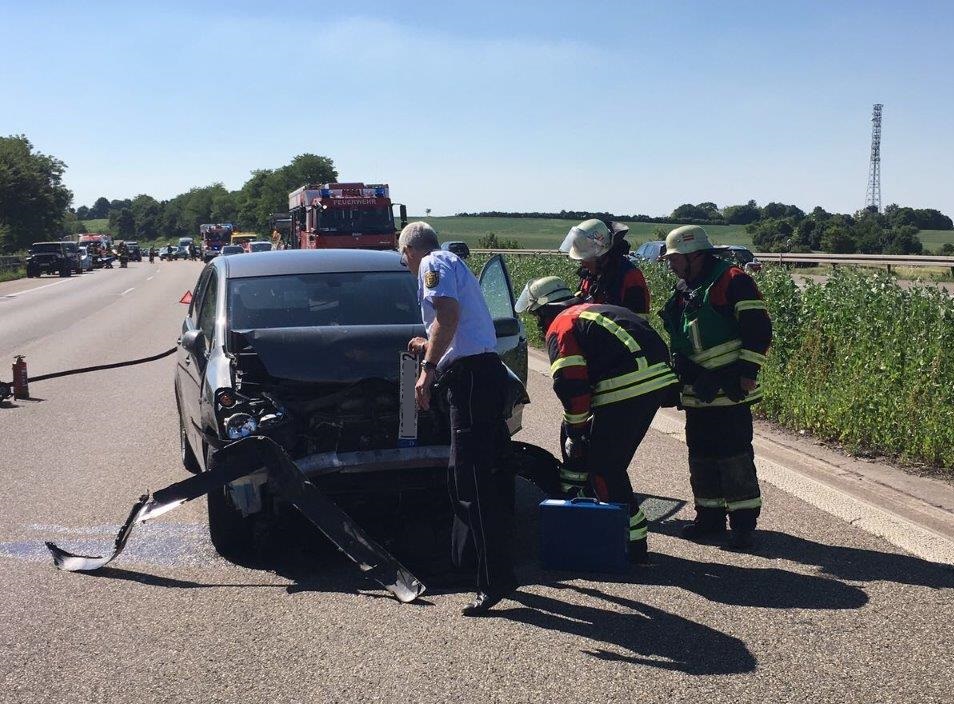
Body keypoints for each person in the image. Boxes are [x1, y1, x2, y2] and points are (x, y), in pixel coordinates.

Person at [515, 276, 679, 563]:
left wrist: (576, 433)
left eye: (537, 316)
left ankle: (630, 541)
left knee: (604, 466)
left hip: (627, 387)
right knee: (603, 456)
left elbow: (572, 386)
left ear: (544, 310)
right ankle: (610, 522)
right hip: (656, 380)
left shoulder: (561, 325)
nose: (539, 325)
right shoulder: (594, 309)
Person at [398, 221, 517, 616]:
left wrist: (427, 369)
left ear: (410, 250)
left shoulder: (432, 262)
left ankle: (491, 582)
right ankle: (481, 567)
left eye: (403, 260)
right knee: (481, 477)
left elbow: (447, 316)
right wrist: (426, 343)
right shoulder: (450, 262)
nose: (407, 266)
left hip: (470, 382)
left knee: (473, 482)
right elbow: (447, 321)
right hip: (481, 377)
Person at [659, 225, 773, 551]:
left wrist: (747, 372)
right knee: (701, 456)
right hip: (698, 391)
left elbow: (759, 329)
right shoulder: (685, 286)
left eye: (674, 259)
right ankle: (708, 518)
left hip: (730, 388)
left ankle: (743, 525)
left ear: (694, 255)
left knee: (734, 457)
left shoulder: (733, 280)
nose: (670, 265)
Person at [560, 218, 650, 318]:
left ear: (601, 253)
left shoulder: (630, 276)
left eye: (586, 257)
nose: (583, 263)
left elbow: (638, 324)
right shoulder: (589, 275)